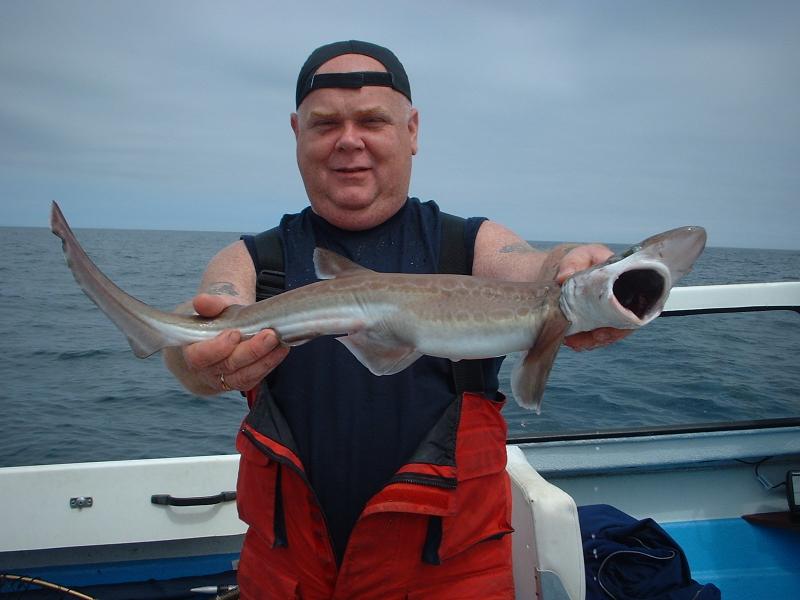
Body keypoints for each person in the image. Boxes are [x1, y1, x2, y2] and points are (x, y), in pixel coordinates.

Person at [164, 40, 627, 600]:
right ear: (297, 132)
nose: (349, 140)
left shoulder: (470, 244)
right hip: (291, 575)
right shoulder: (254, 260)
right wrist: (187, 354)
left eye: (373, 120)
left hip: (447, 574)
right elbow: (202, 320)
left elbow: (531, 267)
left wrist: (576, 269)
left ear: (412, 130)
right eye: (326, 122)